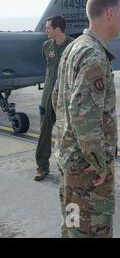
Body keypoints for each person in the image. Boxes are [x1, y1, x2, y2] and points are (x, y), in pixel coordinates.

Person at [52, 0, 120, 238]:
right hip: (87, 172)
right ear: (110, 13)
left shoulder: (74, 48)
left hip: (69, 159)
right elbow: (82, 115)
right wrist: (99, 163)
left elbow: (57, 100)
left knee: (73, 224)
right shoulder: (94, 55)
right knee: (92, 230)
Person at [34, 16, 74, 181]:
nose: (46, 30)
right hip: (48, 93)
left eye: (48, 27)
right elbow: (49, 69)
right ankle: (42, 167)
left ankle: (67, 169)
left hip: (66, 95)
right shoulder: (46, 46)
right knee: (44, 130)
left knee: (67, 133)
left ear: (57, 29)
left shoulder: (73, 45)